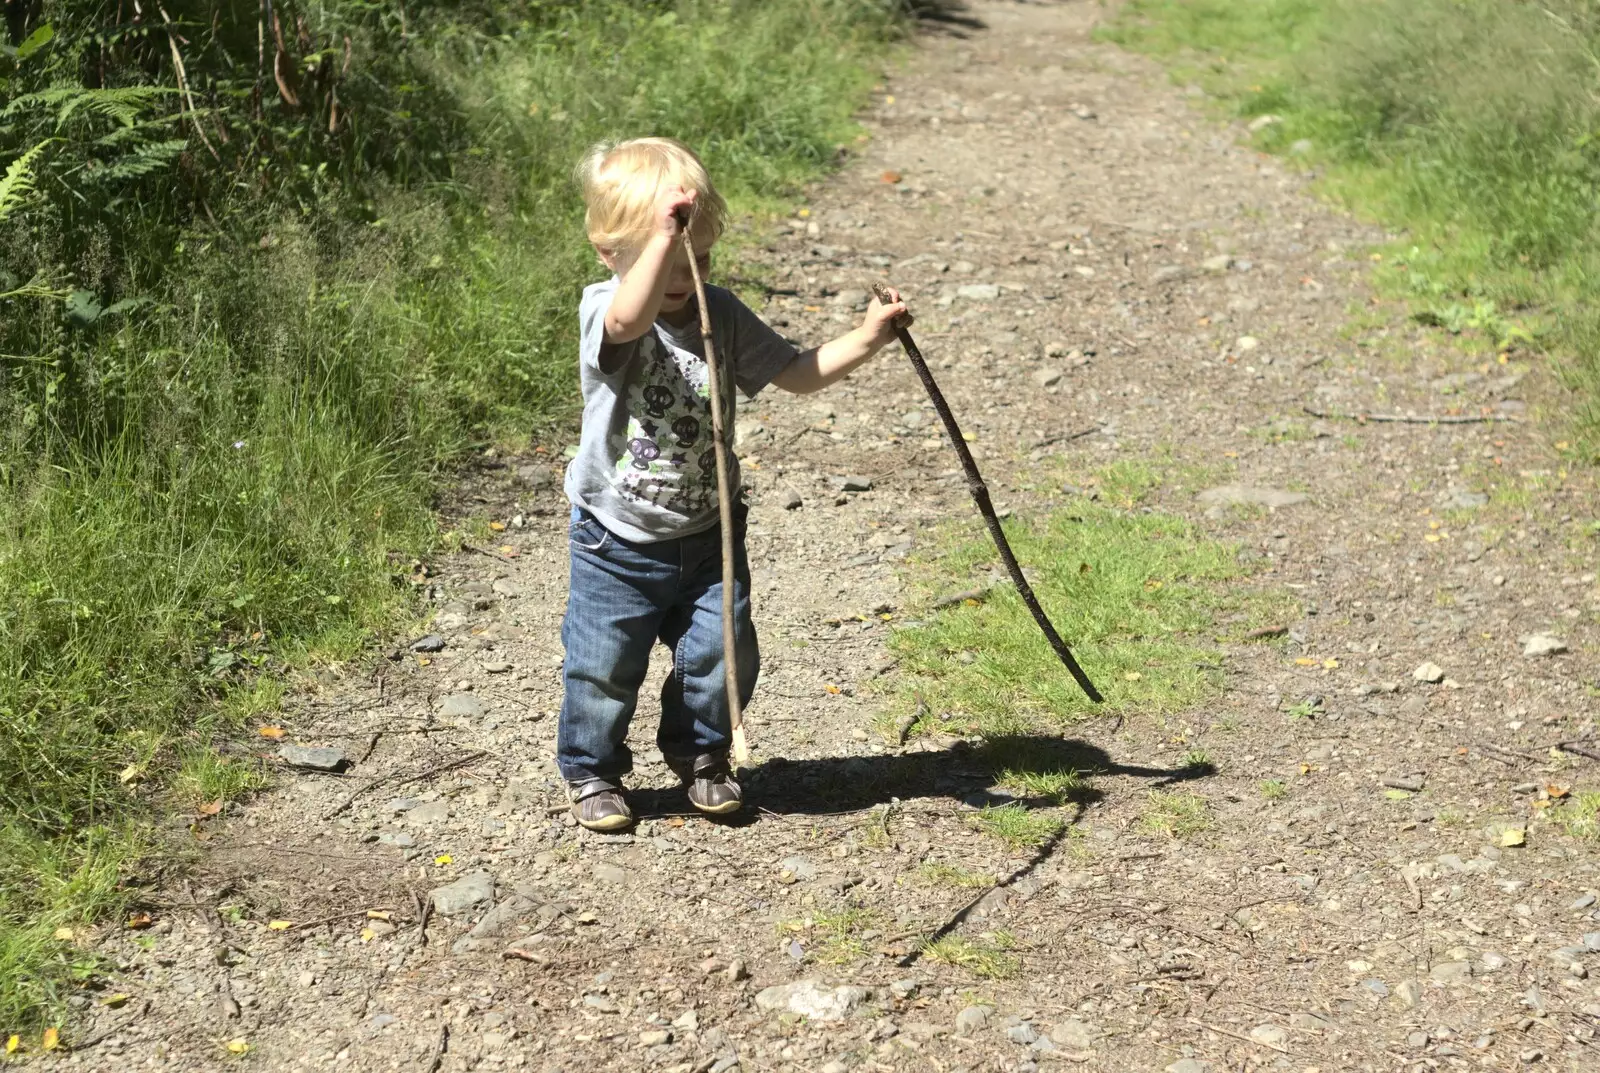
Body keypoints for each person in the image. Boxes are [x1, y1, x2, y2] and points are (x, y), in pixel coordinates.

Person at [559, 136, 909, 831]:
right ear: (610, 252)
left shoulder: (719, 310)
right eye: (668, 259)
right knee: (603, 664)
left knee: (722, 653)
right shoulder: (607, 309)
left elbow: (798, 373)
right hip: (616, 538)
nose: (687, 275)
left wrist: (869, 338)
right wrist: (662, 240)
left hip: (710, 529)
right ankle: (593, 768)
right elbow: (630, 319)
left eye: (702, 257)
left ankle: (702, 756)